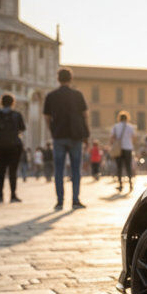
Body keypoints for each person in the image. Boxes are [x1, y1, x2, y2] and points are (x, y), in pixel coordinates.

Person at [44, 68, 89, 209]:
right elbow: (85, 115)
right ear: (70, 79)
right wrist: (86, 134)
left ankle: (60, 201)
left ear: (58, 79)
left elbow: (47, 117)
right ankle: (75, 200)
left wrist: (52, 130)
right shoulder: (77, 95)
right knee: (76, 169)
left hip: (59, 136)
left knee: (59, 170)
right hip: (76, 136)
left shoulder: (51, 96)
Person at [0, 93, 25, 203]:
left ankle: (0, 196)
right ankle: (13, 195)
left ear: (1, 102)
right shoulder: (16, 114)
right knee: (12, 171)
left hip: (0, 146)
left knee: (0, 171)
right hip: (14, 146)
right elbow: (22, 128)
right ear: (12, 102)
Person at [110, 111, 136, 192]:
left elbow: (112, 138)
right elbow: (134, 137)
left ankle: (120, 185)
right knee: (128, 167)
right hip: (128, 148)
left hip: (119, 149)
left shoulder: (116, 126)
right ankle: (130, 183)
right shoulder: (130, 127)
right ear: (127, 118)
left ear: (119, 118)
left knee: (119, 167)